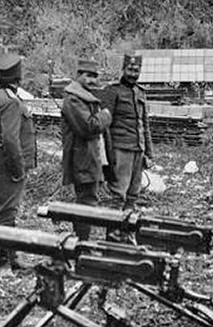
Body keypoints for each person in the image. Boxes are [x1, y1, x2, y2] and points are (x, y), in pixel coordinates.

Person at [0, 53, 37, 273]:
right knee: (7, 213)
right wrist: (18, 168)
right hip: (6, 164)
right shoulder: (11, 102)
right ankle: (2, 260)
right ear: (18, 78)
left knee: (8, 211)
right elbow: (11, 140)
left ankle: (11, 258)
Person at [61, 58, 112, 240]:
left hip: (90, 157)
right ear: (78, 75)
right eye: (88, 76)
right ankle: (81, 243)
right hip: (82, 159)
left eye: (95, 77)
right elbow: (89, 127)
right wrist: (106, 115)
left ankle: (81, 241)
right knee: (86, 202)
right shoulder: (74, 99)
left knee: (88, 200)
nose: (92, 80)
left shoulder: (84, 96)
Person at [102, 53, 154, 213]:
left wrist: (149, 153)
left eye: (136, 71)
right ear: (123, 69)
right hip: (120, 149)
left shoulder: (140, 92)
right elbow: (105, 124)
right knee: (118, 193)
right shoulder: (112, 91)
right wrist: (106, 153)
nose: (133, 74)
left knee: (133, 193)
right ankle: (113, 226)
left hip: (138, 149)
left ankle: (127, 224)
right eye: (130, 70)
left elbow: (145, 124)